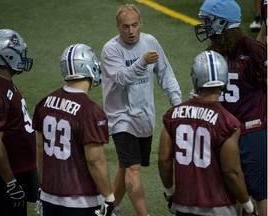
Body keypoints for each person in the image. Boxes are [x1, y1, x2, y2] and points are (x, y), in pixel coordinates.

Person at [101, 3, 182, 216]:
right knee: (132, 168)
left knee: (126, 165)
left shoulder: (150, 41)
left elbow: (166, 74)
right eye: (125, 26)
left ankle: (109, 208)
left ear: (141, 24)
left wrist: (178, 105)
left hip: (144, 117)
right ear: (118, 27)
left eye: (134, 25)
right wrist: (142, 61)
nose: (131, 31)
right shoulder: (111, 49)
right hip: (121, 117)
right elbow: (121, 78)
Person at [158, 50, 257, 216]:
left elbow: (163, 159)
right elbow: (231, 172)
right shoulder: (228, 122)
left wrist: (170, 192)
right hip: (218, 206)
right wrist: (248, 206)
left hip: (184, 204)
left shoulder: (173, 115)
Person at [194, 0, 267, 215]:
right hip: (224, 133)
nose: (204, 26)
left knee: (261, 193)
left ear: (221, 22)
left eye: (207, 21)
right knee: (230, 190)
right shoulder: (213, 52)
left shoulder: (252, 49)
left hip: (251, 130)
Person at [32, 43, 116, 216]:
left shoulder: (44, 103)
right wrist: (109, 197)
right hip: (81, 201)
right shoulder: (90, 111)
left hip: (49, 195)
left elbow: (40, 149)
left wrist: (43, 186)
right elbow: (95, 160)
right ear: (88, 67)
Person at [0, 29, 39, 216]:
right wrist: (11, 183)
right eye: (19, 53)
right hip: (0, 179)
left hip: (15, 171)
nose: (23, 57)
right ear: (7, 56)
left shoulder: (0, 81)